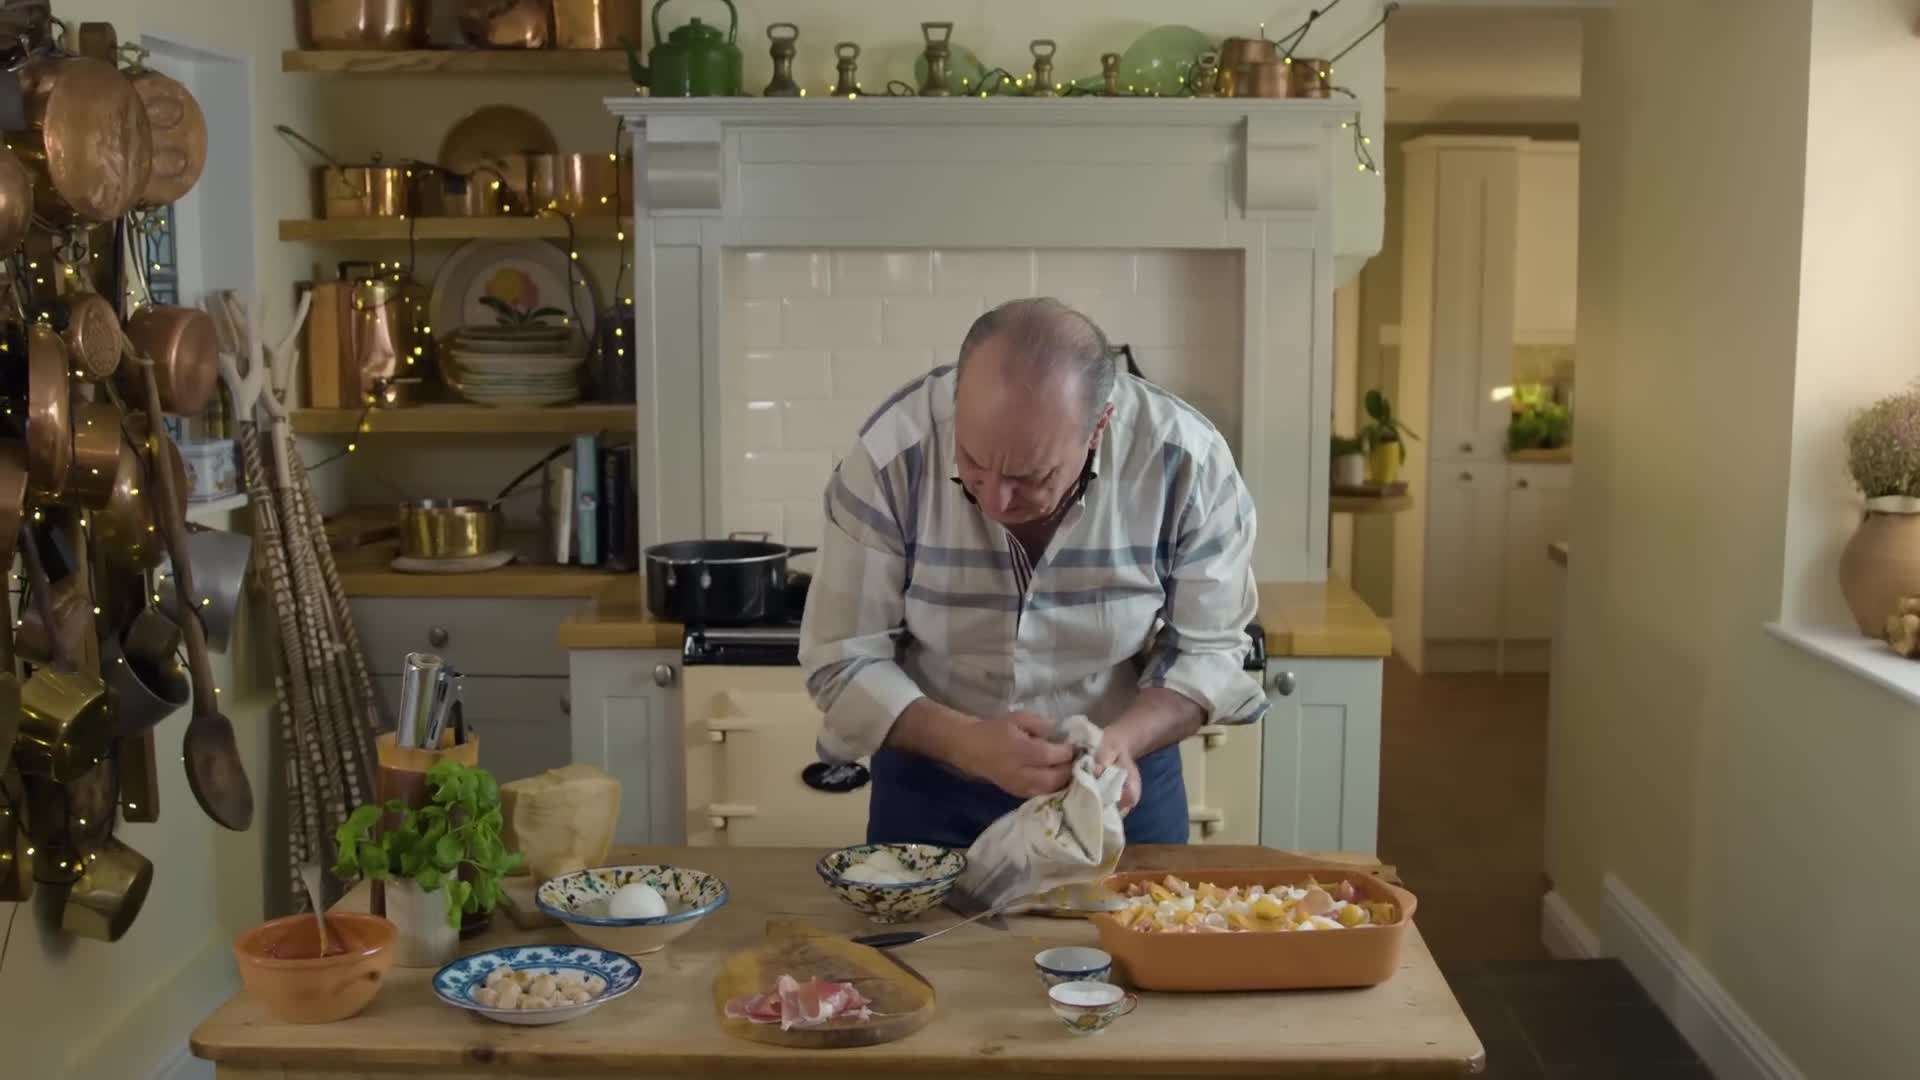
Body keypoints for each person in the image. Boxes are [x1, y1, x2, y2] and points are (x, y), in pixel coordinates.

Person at [798, 297, 1267, 849]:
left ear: (1099, 428)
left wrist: (1120, 743)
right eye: (971, 462)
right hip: (933, 779)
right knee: (928, 941)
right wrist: (968, 743)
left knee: (1128, 937)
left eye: (1030, 475)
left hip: (1118, 779)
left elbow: (1208, 652)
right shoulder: (892, 455)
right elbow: (841, 656)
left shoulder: (1188, 462)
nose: (994, 498)